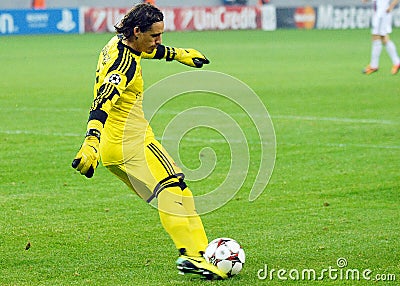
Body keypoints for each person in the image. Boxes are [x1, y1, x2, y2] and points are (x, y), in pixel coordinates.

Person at [71, 3, 227, 280]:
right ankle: (190, 255)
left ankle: (203, 254)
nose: (158, 41)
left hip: (115, 151)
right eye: (155, 36)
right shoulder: (125, 65)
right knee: (172, 194)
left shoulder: (120, 43)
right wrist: (90, 140)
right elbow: (103, 100)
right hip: (132, 144)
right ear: (137, 31)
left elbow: (147, 50)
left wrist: (178, 55)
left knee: (179, 192)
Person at [363, 0, 400, 75]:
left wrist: (391, 6)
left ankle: (374, 65)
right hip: (380, 13)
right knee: (383, 38)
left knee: (376, 36)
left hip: (383, 13)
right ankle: (397, 62)